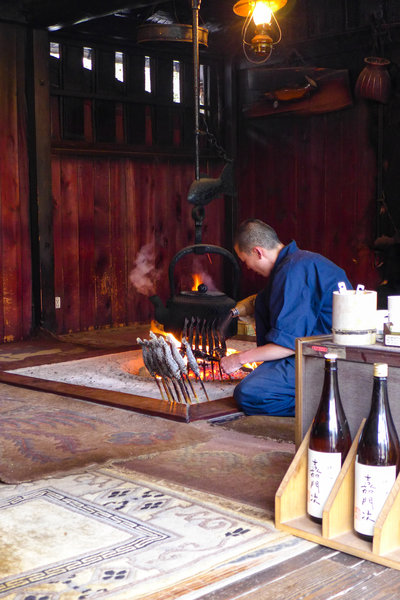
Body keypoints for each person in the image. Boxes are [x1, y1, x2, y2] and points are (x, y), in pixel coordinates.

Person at [220, 219, 352, 416]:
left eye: (245, 260)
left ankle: (327, 407)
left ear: (258, 252)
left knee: (249, 394)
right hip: (310, 351)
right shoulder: (297, 263)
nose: (247, 267)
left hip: (325, 357)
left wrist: (238, 359)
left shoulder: (294, 271)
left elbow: (288, 344)